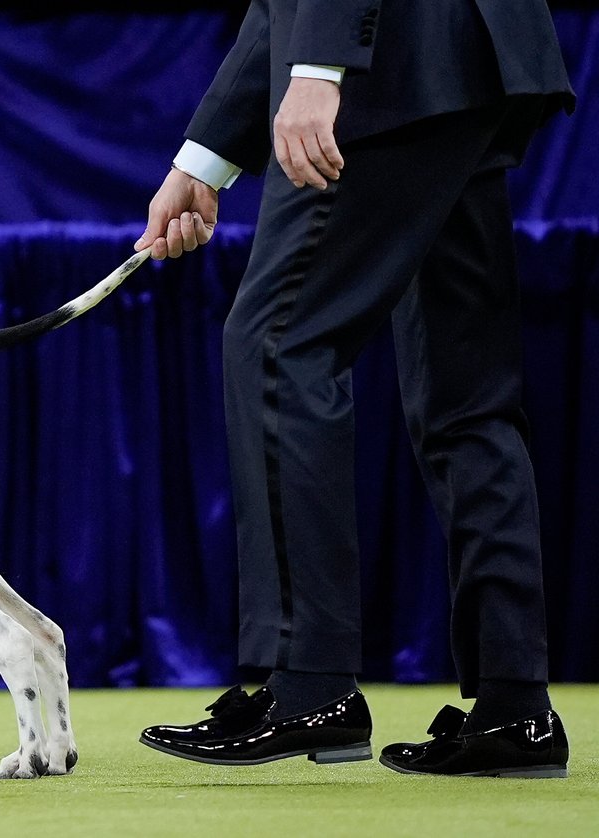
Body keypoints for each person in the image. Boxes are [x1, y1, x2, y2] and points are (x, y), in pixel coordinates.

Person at [133, 1, 574, 777]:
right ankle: (516, 710)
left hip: (391, 62)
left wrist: (320, 69)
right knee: (466, 398)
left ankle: (311, 686)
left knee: (278, 342)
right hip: (470, 56)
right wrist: (200, 160)